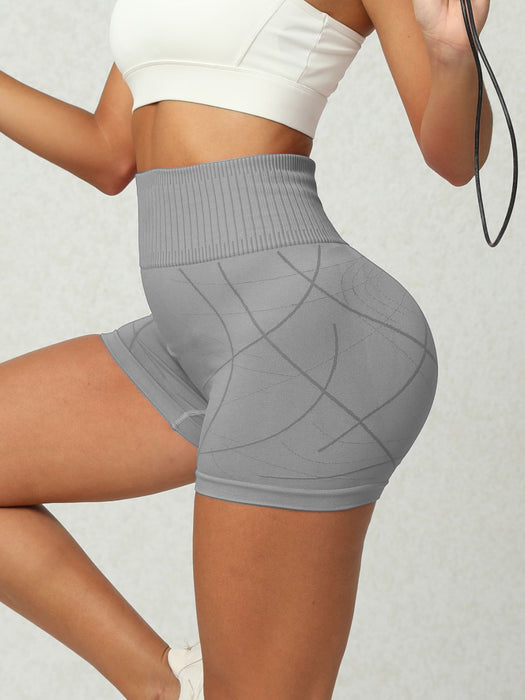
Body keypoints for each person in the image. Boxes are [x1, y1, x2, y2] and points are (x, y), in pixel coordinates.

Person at [0, 0, 492, 698]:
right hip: (195, 339)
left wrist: (452, 56)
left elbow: (456, 158)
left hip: (307, 337)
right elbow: (109, 151)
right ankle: (169, 686)